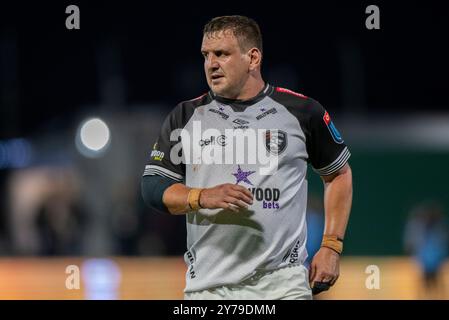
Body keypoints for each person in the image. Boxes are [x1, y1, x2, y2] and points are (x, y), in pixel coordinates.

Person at [141, 15, 353, 300]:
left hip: (282, 285)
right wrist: (201, 196)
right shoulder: (185, 116)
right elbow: (153, 187)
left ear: (252, 58)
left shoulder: (303, 113)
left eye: (222, 54)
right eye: (206, 55)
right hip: (208, 289)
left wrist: (330, 245)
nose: (211, 64)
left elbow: (338, 174)